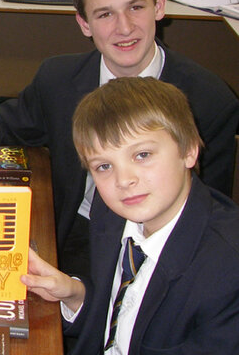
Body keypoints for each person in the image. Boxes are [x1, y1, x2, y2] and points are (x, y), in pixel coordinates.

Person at [0, 0, 239, 273]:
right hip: (73, 228)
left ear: (159, 6)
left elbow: (209, 208)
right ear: (84, 23)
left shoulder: (209, 101)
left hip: (153, 245)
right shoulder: (58, 78)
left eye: (136, 8)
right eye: (105, 14)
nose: (124, 28)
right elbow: (8, 123)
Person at [21, 76, 239, 354]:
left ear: (189, 150)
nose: (123, 180)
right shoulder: (112, 213)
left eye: (142, 154)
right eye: (103, 166)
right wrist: (75, 295)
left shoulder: (229, 273)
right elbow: (122, 318)